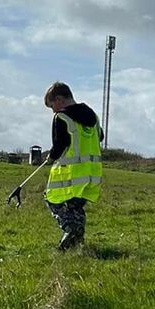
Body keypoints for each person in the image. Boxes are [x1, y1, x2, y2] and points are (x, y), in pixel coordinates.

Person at [43, 82, 103, 250]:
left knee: (52, 200)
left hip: (70, 174)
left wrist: (50, 157)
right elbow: (100, 137)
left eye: (52, 105)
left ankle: (71, 229)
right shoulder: (94, 118)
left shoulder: (61, 117)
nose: (53, 110)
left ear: (60, 100)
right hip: (91, 175)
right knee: (76, 206)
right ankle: (77, 242)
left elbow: (60, 145)